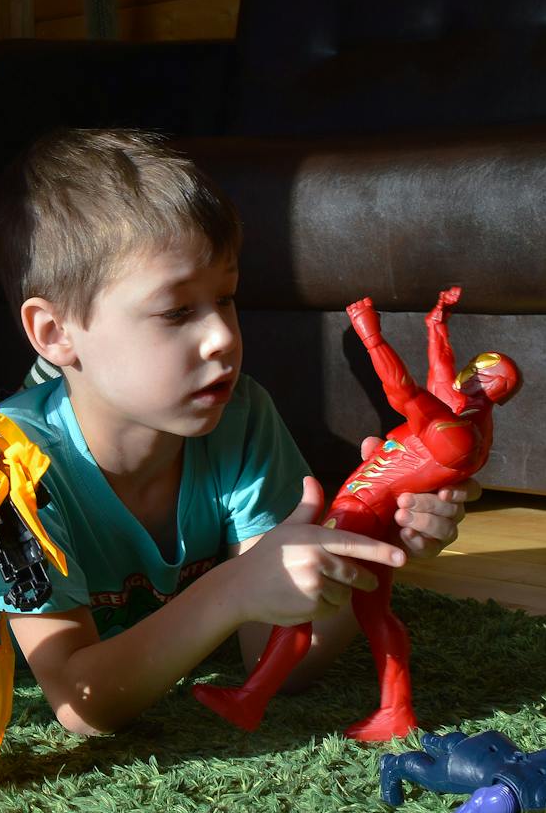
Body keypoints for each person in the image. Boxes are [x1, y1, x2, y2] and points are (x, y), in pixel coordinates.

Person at [0, 128, 478, 736]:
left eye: (226, 298)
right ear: (56, 333)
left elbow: (275, 658)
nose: (222, 337)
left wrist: (369, 548)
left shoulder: (241, 417)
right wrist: (233, 588)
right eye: (177, 311)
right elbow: (82, 704)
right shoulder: (7, 464)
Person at [196, 287, 521, 740]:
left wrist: (371, 335)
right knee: (375, 614)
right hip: (376, 512)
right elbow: (441, 370)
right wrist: (437, 320)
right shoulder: (462, 418)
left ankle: (252, 697)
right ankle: (396, 709)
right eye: (482, 365)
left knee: (298, 603)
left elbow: (403, 391)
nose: (474, 371)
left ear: (490, 389)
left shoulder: (454, 431)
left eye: (486, 373)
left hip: (362, 510)